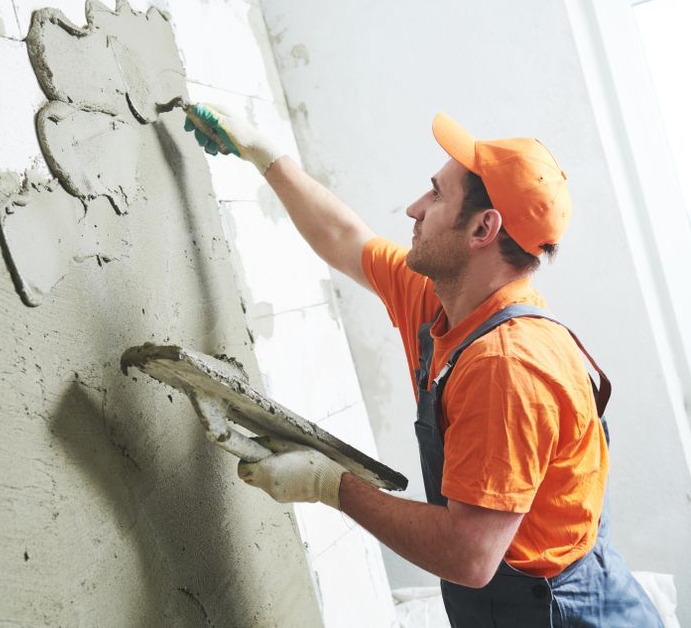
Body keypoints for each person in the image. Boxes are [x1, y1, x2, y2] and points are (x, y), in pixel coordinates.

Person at [183, 105, 663, 626]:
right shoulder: (447, 301)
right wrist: (260, 150)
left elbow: (470, 556)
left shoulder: (508, 367)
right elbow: (346, 239)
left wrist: (329, 485)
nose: (414, 208)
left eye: (436, 194)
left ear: (483, 228)